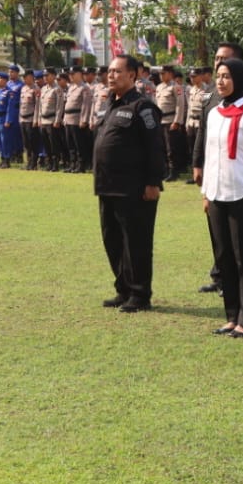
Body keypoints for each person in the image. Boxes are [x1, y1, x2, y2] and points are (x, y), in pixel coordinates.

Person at [201, 59, 243, 337]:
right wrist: (206, 191)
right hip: (217, 193)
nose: (221, 81)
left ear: (239, 80)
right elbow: (209, 155)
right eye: (218, 76)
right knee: (223, 256)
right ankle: (231, 315)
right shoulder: (214, 113)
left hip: (242, 194)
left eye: (227, 76)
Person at [94, 55, 165, 313]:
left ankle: (140, 294)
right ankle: (123, 289)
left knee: (136, 243)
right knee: (112, 241)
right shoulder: (109, 105)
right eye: (110, 71)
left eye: (117, 71)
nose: (111, 76)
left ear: (133, 75)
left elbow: (155, 147)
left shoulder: (142, 107)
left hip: (134, 189)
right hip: (107, 186)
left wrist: (153, 182)